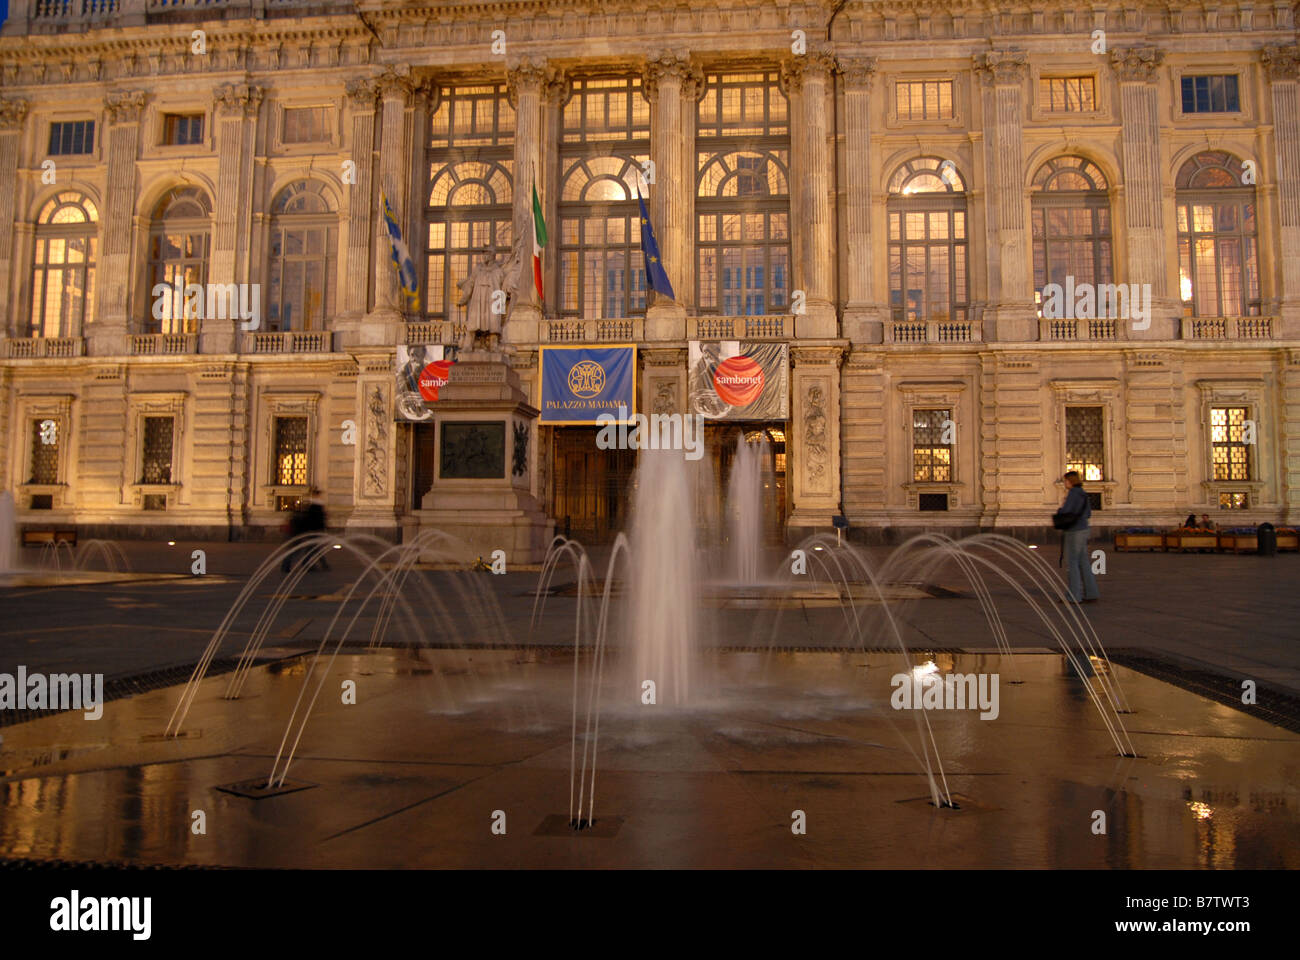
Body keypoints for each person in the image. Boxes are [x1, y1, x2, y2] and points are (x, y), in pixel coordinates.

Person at [1053, 470, 1099, 604]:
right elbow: (1089, 513)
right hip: (1084, 529)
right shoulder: (1083, 494)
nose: (1064, 483)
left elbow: (1066, 511)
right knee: (1083, 561)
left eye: (1066, 480)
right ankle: (1091, 592)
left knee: (1072, 562)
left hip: (1074, 531)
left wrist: (1060, 511)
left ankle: (1074, 595)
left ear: (1071, 481)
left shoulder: (1073, 493)